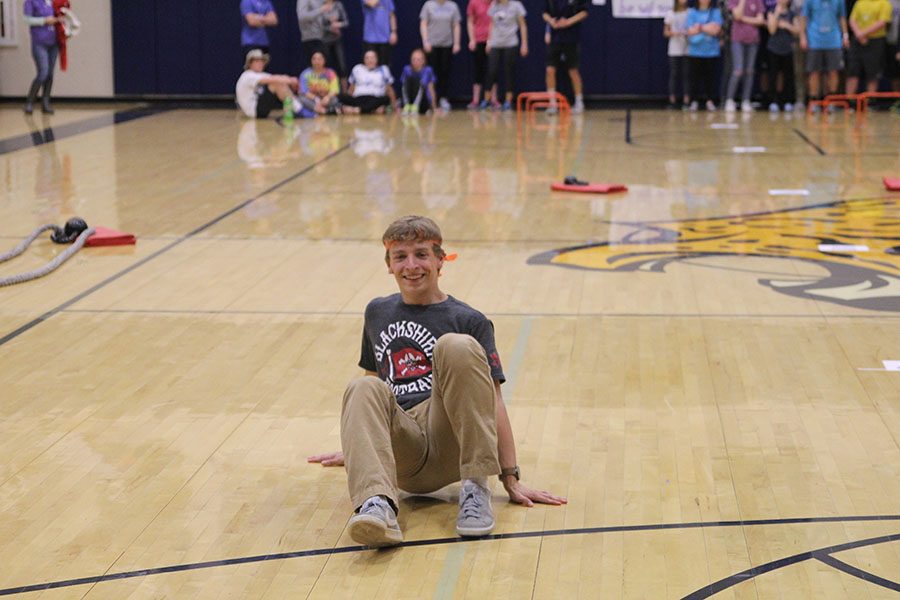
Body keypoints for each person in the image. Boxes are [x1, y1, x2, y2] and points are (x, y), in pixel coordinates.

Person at [308, 215, 567, 548]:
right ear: (389, 265)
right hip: (404, 449)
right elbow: (372, 382)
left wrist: (510, 477)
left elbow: (493, 402)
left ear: (440, 260)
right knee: (360, 387)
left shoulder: (468, 320)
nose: (411, 265)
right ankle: (377, 507)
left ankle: (475, 489)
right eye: (400, 256)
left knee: (454, 345)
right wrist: (360, 445)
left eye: (421, 254)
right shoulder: (377, 312)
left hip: (450, 441)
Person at [799, 0, 848, 111]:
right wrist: (803, 36)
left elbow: (842, 17)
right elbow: (803, 18)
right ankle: (813, 100)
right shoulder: (809, 1)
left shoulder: (839, 1)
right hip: (814, 40)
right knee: (814, 72)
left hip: (834, 40)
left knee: (833, 71)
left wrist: (845, 35)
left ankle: (830, 101)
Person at [543, 0, 589, 114]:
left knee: (573, 70)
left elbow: (584, 12)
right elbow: (544, 13)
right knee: (550, 70)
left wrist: (568, 22)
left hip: (571, 38)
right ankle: (552, 103)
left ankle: (579, 102)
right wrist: (551, 21)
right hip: (555, 38)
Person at [481, 0, 529, 111]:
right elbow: (491, 23)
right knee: (491, 71)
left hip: (510, 42)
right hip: (495, 42)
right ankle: (486, 100)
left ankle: (508, 101)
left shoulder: (516, 5)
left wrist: (524, 44)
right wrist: (489, 40)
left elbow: (522, 25)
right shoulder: (494, 5)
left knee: (509, 71)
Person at [236, 49, 306, 119]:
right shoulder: (247, 75)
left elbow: (277, 77)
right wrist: (291, 80)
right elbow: (273, 79)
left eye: (262, 61)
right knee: (276, 83)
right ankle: (300, 110)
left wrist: (291, 80)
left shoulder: (260, 74)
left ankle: (295, 109)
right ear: (250, 64)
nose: (260, 64)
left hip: (260, 108)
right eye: (257, 61)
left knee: (280, 83)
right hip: (254, 111)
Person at [420, 0, 462, 112]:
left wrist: (456, 43)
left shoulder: (453, 6)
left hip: (447, 44)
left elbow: (456, 25)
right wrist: (425, 41)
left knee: (445, 72)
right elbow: (423, 23)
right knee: (431, 73)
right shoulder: (428, 5)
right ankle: (431, 100)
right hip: (432, 45)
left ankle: (443, 98)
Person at [725, 0, 766, 112]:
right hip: (738, 39)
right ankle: (729, 100)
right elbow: (737, 15)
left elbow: (761, 20)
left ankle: (746, 100)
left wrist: (744, 19)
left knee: (749, 71)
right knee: (738, 70)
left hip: (753, 40)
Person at [846, 0, 893, 95]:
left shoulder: (884, 3)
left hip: (875, 41)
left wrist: (863, 33)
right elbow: (852, 20)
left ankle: (869, 102)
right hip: (857, 40)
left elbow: (882, 22)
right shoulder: (860, 2)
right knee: (853, 72)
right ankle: (849, 102)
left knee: (872, 73)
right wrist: (859, 34)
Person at [686, 0, 724, 111]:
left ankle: (710, 101)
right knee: (694, 78)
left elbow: (716, 30)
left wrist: (700, 28)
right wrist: (708, 27)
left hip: (711, 51)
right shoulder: (692, 12)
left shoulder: (715, 12)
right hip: (695, 51)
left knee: (710, 78)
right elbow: (690, 31)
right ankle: (694, 101)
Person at [23, 0, 60, 114]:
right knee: (43, 72)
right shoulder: (31, 1)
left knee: (50, 74)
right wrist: (44, 20)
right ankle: (29, 102)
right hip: (39, 42)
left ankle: (45, 103)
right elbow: (27, 19)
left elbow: (60, 15)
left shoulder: (54, 1)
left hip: (54, 42)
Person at [339, 49, 398, 113]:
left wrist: (395, 107)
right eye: (367, 58)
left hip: (375, 98)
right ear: (364, 60)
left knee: (386, 99)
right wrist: (348, 100)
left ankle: (357, 110)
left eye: (372, 58)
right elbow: (351, 88)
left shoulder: (383, 69)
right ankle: (371, 110)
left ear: (377, 59)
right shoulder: (357, 69)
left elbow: (389, 89)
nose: (370, 60)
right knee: (341, 97)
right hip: (359, 98)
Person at [766, 0, 799, 111]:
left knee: (788, 75)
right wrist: (777, 14)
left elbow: (797, 30)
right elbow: (771, 30)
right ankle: (773, 100)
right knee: (773, 75)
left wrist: (786, 26)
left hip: (787, 49)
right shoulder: (771, 11)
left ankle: (788, 100)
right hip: (773, 48)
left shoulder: (792, 13)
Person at [664, 0, 691, 109]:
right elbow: (665, 32)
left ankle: (686, 100)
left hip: (688, 48)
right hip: (674, 48)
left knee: (687, 74)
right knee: (674, 74)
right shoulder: (670, 13)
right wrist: (674, 33)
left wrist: (689, 32)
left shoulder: (690, 12)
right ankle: (672, 100)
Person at [466, 0, 492, 109]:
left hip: (494, 40)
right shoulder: (474, 2)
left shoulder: (495, 3)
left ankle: (492, 99)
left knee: (492, 71)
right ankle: (475, 100)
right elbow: (470, 21)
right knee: (478, 70)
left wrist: (491, 40)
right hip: (478, 40)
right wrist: (472, 39)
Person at [321, 0, 350, 92]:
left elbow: (346, 22)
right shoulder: (320, 5)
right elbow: (318, 24)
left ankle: (345, 93)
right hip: (324, 40)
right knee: (324, 66)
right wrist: (331, 28)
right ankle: (325, 91)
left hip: (337, 40)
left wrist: (338, 24)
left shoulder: (338, 5)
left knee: (342, 66)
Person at [362, 0, 398, 69]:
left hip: (385, 38)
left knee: (385, 66)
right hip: (370, 39)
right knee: (369, 67)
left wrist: (394, 32)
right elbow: (372, 4)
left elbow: (392, 15)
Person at [401, 49, 438, 114]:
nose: (415, 62)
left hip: (423, 102)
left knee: (419, 82)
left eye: (418, 59)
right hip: (410, 102)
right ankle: (407, 106)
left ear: (423, 61)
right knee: (408, 80)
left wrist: (434, 108)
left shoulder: (428, 70)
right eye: (413, 59)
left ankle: (416, 107)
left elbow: (431, 89)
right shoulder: (407, 69)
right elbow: (404, 88)